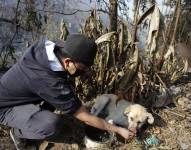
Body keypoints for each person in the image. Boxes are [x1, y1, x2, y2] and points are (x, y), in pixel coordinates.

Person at [0, 34, 136, 150]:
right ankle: (18, 132)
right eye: (82, 68)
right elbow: (86, 117)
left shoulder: (53, 47)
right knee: (50, 125)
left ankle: (34, 115)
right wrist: (118, 130)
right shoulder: (50, 82)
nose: (84, 73)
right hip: (5, 107)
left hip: (18, 91)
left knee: (64, 90)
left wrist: (80, 69)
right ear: (67, 62)